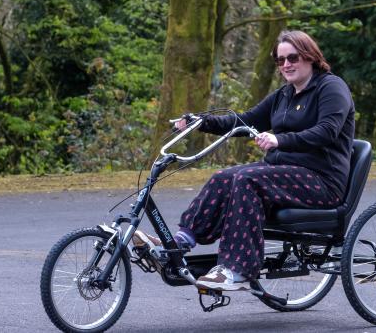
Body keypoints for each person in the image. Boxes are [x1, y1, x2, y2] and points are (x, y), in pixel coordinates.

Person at [133, 30, 355, 291]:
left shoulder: (331, 87)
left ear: (310, 56)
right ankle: (180, 241)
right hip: (284, 172)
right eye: (279, 60)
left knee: (247, 179)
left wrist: (279, 140)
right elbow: (244, 120)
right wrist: (203, 121)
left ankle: (236, 269)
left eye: (292, 58)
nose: (286, 65)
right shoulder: (284, 95)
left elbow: (327, 130)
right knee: (223, 177)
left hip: (321, 180)